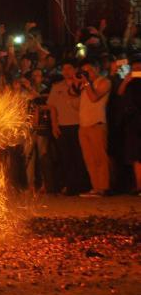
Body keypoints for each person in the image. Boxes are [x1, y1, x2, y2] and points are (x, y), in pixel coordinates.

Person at [48, 61, 89, 195]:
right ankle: (71, 186)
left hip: (79, 124)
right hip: (63, 126)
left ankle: (84, 185)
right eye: (63, 68)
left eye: (69, 68)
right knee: (66, 157)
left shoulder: (82, 85)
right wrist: (54, 124)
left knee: (80, 156)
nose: (66, 71)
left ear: (75, 69)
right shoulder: (57, 87)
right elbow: (52, 108)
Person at [76, 59, 112, 197]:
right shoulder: (85, 85)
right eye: (84, 71)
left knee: (100, 158)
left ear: (97, 68)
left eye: (89, 70)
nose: (86, 73)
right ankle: (95, 187)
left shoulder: (104, 82)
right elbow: (78, 103)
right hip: (83, 125)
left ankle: (103, 187)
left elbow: (94, 98)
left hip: (97, 124)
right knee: (89, 159)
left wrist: (86, 83)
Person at [117, 54, 141, 194]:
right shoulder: (129, 81)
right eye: (134, 67)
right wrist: (126, 80)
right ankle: (139, 185)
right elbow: (120, 93)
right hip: (132, 121)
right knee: (135, 156)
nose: (137, 69)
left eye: (139, 67)